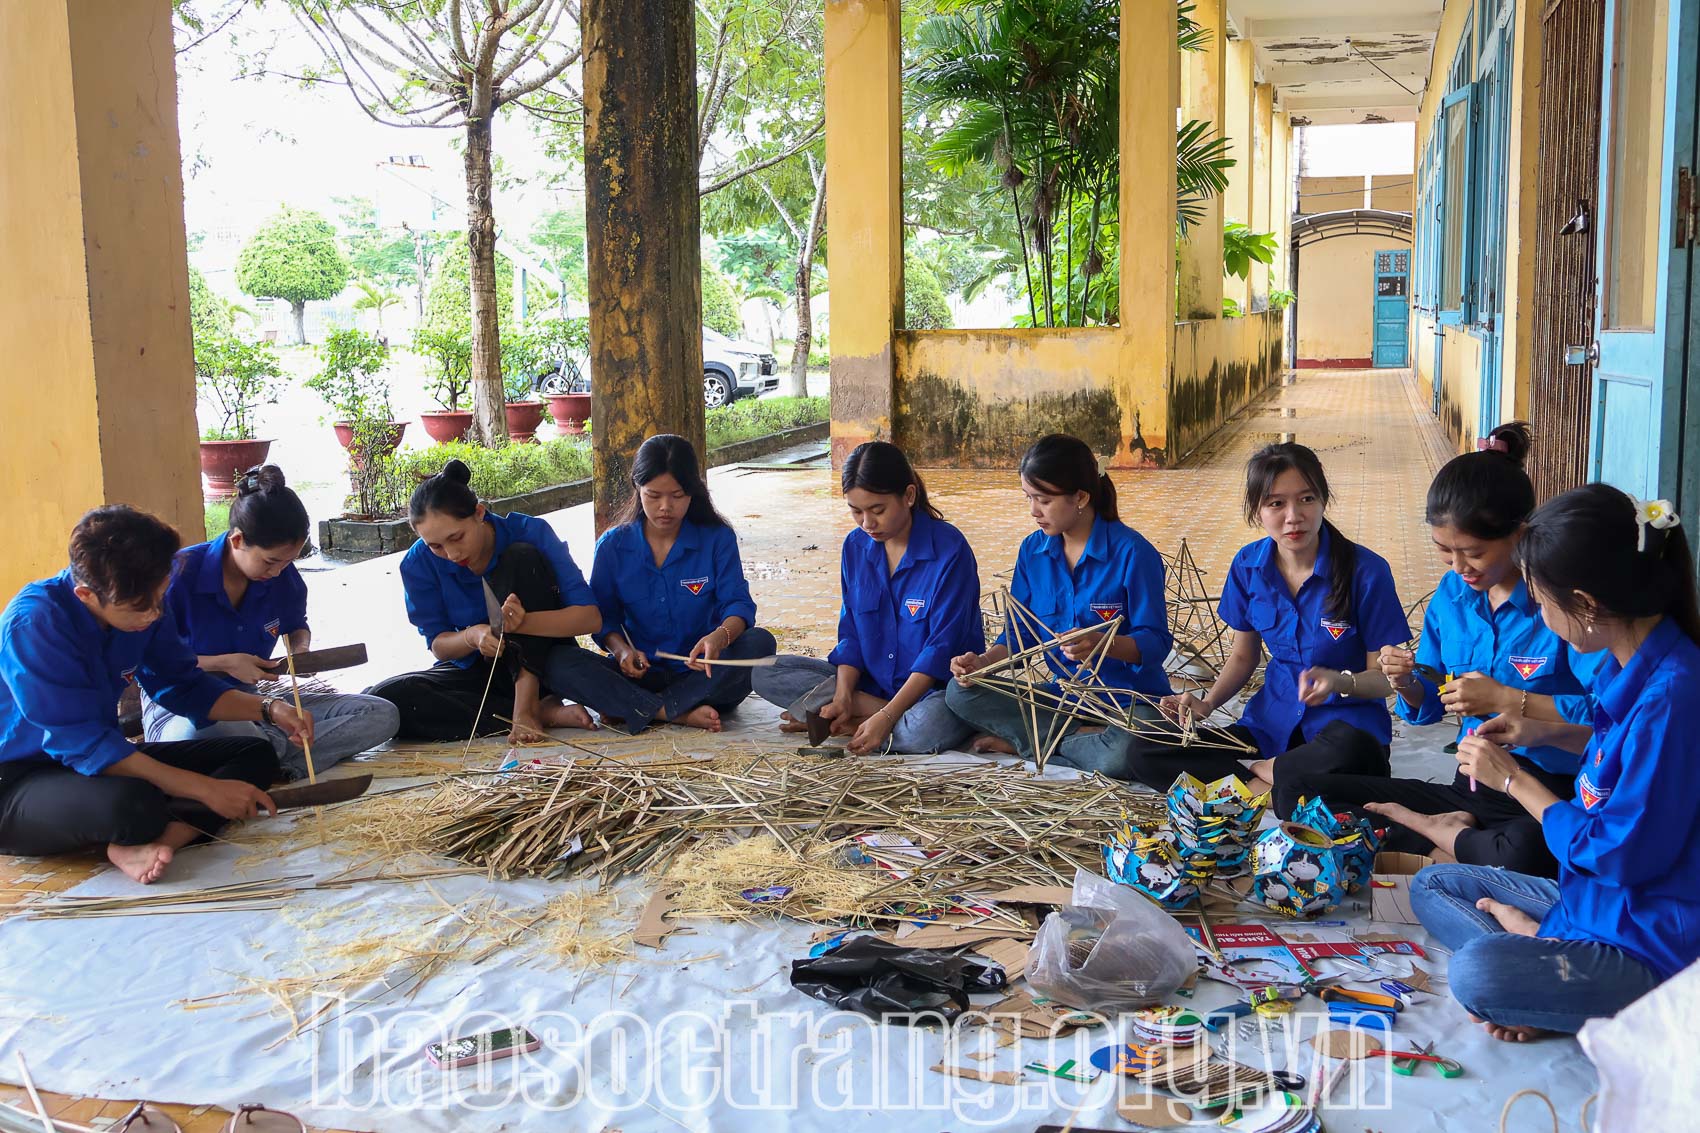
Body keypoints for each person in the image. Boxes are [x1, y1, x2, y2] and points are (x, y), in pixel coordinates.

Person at [1411, 484, 1700, 1040]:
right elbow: (1614, 766)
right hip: (1590, 907)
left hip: (1651, 944)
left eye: (1542, 601)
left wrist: (1515, 780)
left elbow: (1618, 855)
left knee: (1477, 973)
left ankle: (1552, 978)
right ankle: (1546, 965)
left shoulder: (1674, 698)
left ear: (1586, 606)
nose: (1539, 613)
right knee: (1436, 885)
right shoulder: (1627, 666)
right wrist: (1538, 730)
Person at [1276, 424, 1599, 871]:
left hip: (1544, 794)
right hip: (1468, 789)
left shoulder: (1559, 607)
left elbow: (1606, 719)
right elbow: (1426, 705)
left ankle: (1437, 839)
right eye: (1446, 553)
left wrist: (1508, 699)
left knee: (1534, 849)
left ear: (1520, 535)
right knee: (1297, 790)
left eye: (1473, 553)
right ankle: (1449, 839)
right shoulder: (1452, 597)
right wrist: (1406, 681)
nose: (1459, 567)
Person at [0, 506, 303, 884]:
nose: (154, 614)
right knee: (133, 805)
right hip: (18, 778)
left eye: (160, 598)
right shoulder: (34, 623)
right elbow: (83, 744)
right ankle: (138, 834)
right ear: (86, 595)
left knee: (254, 751)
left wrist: (269, 708)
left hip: (95, 760)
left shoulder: (144, 608)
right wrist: (205, 789)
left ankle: (164, 841)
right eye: (141, 607)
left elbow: (185, 686)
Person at [1122, 442, 1409, 795]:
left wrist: (1340, 682)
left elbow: (1383, 680)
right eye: (1276, 503)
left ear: (1323, 500)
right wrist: (1207, 704)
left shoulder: (1367, 572)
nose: (1293, 516)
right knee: (1143, 750)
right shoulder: (1248, 565)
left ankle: (1255, 780)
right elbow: (1244, 656)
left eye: (1306, 499)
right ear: (1257, 510)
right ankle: (1271, 786)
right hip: (1270, 729)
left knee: (1351, 753)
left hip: (1345, 730)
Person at [142, 466, 399, 779]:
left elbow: (295, 626)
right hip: (182, 708)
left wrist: (300, 650)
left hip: (256, 703)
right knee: (199, 735)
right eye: (271, 561)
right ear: (237, 540)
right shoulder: (178, 576)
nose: (278, 572)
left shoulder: (282, 578)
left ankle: (275, 765)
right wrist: (224, 663)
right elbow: (154, 664)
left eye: (289, 561)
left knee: (379, 713)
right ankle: (268, 754)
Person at [946, 435, 1171, 776]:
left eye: (1044, 500)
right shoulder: (1033, 551)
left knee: (1129, 750)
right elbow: (1020, 634)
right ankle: (1078, 738)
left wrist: (1103, 643)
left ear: (1080, 497)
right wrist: (983, 663)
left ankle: (1037, 742)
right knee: (959, 694)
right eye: (1029, 498)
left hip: (1129, 702)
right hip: (1063, 698)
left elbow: (1155, 643)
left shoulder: (1133, 553)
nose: (1034, 511)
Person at [752, 441, 982, 754]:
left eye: (878, 510)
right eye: (856, 511)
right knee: (764, 671)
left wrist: (888, 715)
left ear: (909, 496)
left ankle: (867, 719)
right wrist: (845, 694)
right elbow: (851, 634)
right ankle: (859, 711)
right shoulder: (855, 546)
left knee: (925, 728)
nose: (867, 523)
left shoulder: (950, 551)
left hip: (933, 692)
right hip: (869, 682)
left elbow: (940, 651)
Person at [368, 460, 607, 741]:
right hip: (481, 669)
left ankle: (526, 707)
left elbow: (589, 618)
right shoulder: (417, 562)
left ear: (479, 513)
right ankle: (540, 714)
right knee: (386, 701)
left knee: (522, 557)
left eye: (457, 537)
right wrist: (473, 636)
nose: (452, 554)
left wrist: (521, 623)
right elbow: (439, 646)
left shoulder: (529, 533)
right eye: (435, 546)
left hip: (541, 659)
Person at [580, 435, 776, 733]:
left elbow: (737, 604)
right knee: (565, 663)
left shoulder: (716, 538)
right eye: (654, 495)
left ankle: (645, 707)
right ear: (637, 487)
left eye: (677, 495)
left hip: (704, 673)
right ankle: (676, 711)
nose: (665, 507)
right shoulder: (613, 546)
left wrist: (719, 638)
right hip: (640, 674)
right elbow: (603, 617)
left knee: (760, 643)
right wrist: (622, 652)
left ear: (693, 492)